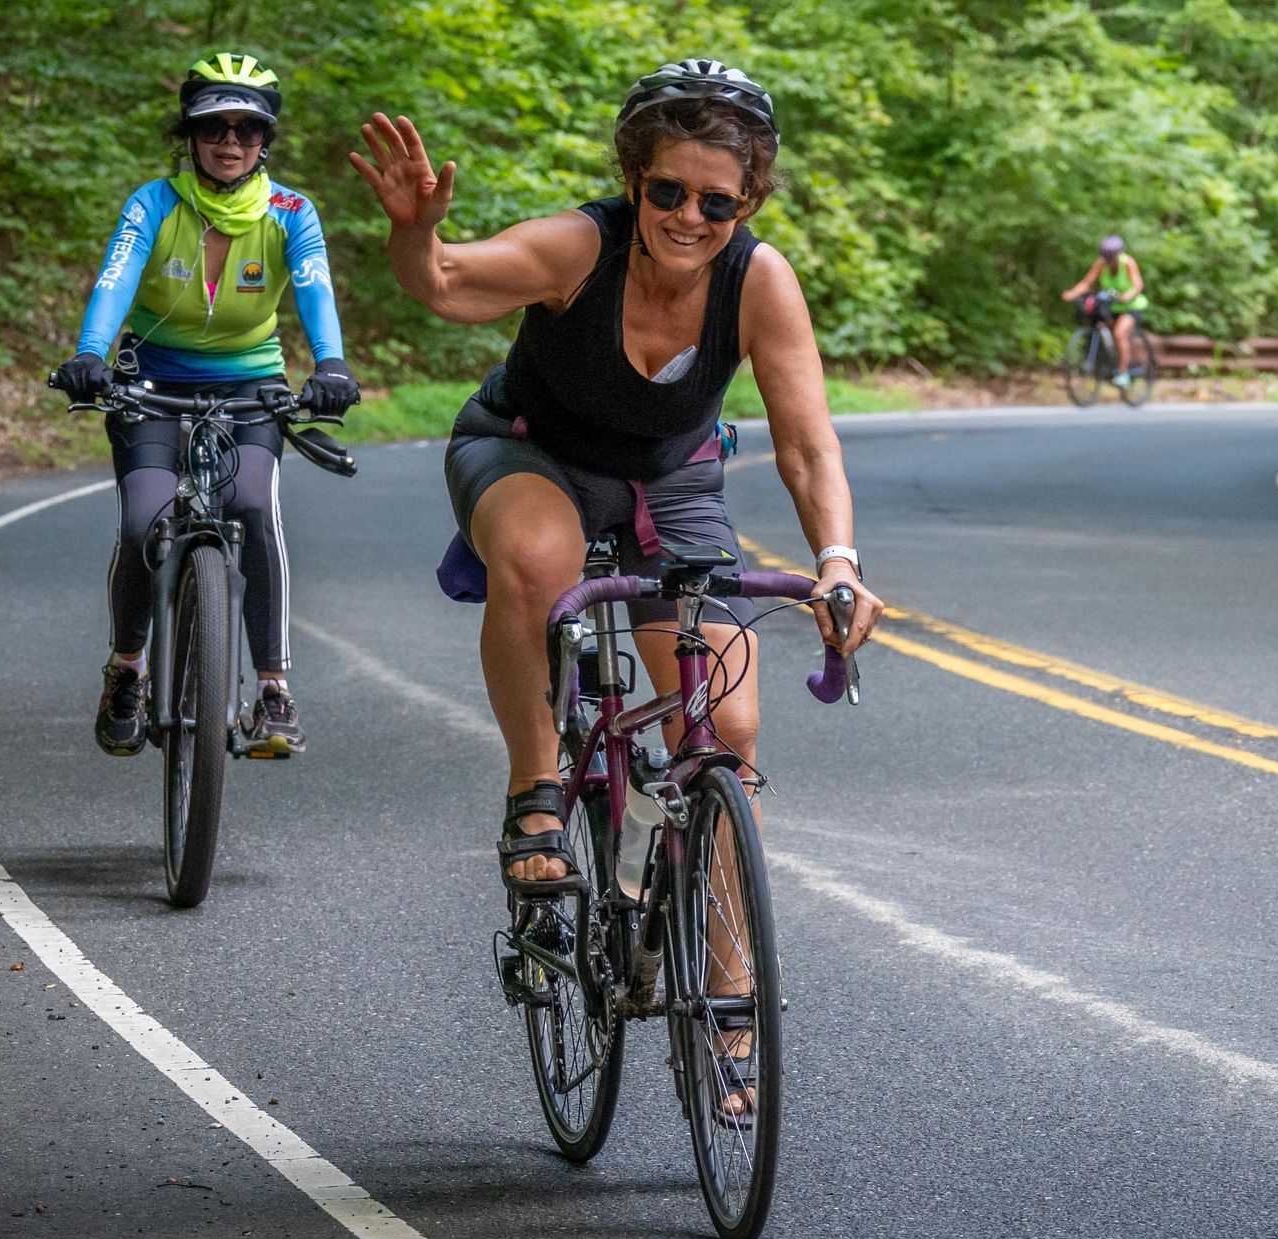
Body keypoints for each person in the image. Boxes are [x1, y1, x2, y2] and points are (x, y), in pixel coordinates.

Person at [351, 59, 882, 956]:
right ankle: (537, 797)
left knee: (727, 727)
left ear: (747, 203)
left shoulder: (758, 283)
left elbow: (807, 444)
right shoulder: (577, 249)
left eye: (718, 202)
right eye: (669, 190)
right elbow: (443, 284)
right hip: (529, 449)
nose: (690, 217)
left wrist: (837, 559)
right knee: (540, 557)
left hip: (670, 485)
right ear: (634, 179)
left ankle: (725, 993)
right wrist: (415, 234)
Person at [53, 52, 360, 760]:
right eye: (214, 127)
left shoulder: (291, 212)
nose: (230, 143)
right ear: (189, 135)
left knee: (252, 506)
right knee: (141, 520)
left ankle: (274, 689)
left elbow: (314, 289)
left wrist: (331, 363)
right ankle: (126, 670)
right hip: (151, 384)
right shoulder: (153, 203)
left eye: (247, 130)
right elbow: (116, 276)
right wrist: (91, 353)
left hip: (250, 384)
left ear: (265, 141)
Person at [1061, 234, 1148, 388]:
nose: (1109, 261)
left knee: (1119, 333)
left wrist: (1128, 295)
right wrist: (1072, 293)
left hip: (1131, 306)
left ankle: (1123, 373)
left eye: (1111, 257)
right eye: (1106, 257)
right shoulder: (1102, 263)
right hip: (1112, 306)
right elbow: (1087, 282)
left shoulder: (1127, 263)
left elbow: (1138, 285)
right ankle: (1106, 362)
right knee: (1099, 324)